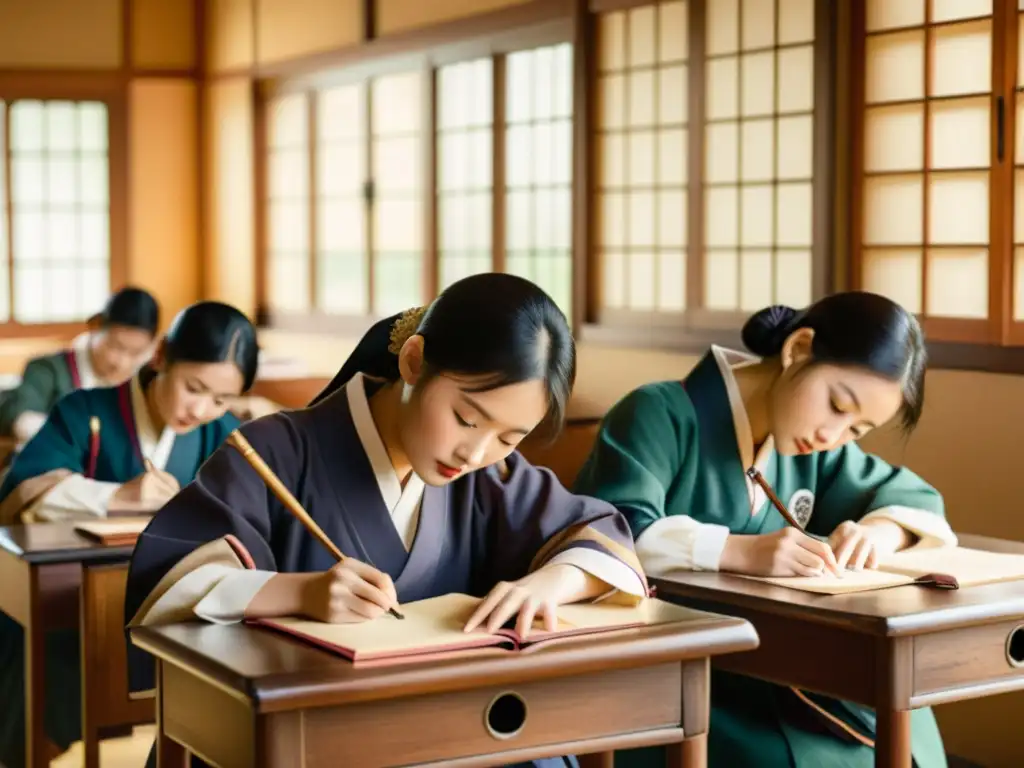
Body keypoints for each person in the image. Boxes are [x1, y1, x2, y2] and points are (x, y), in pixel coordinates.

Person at [124, 273, 649, 768]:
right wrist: (298, 593)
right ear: (415, 362)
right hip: (306, 736)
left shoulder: (491, 476)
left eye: (510, 438)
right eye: (467, 418)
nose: (476, 451)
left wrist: (549, 583)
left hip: (442, 729)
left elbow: (599, 533)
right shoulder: (276, 451)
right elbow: (170, 579)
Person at [573, 293, 956, 768]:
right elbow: (610, 536)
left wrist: (878, 532)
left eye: (857, 430)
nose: (832, 435)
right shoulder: (657, 413)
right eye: (837, 405)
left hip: (774, 667)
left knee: (904, 711)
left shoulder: (812, 447)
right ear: (798, 349)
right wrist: (738, 551)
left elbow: (916, 499)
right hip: (674, 676)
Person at [0, 300, 259, 768]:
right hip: (74, 600)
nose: (201, 409)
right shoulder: (85, 410)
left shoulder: (222, 431)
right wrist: (117, 495)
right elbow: (20, 491)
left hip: (173, 603)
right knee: (40, 662)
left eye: (220, 400)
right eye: (193, 388)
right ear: (161, 357)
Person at [0, 286, 161, 447]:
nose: (122, 362)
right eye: (115, 346)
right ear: (95, 326)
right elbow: (23, 421)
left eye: (136, 353)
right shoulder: (49, 369)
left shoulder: (146, 379)